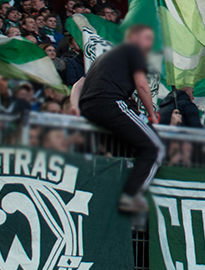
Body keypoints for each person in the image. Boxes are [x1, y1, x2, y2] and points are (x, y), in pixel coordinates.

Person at [70, 25, 164, 213]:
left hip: (89, 107)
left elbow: (78, 84)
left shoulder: (104, 58)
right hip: (110, 104)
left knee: (124, 148)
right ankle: (131, 197)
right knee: (155, 148)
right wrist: (152, 114)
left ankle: (111, 191)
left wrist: (75, 106)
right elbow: (142, 86)